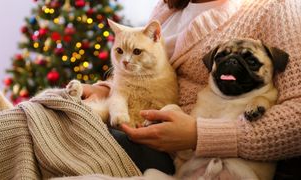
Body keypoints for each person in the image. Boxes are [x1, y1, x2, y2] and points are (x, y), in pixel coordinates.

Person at [82, 0, 301, 178]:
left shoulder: (275, 9)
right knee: (58, 111)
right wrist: (105, 89)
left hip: (178, 157)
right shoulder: (166, 8)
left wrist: (200, 136)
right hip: (135, 123)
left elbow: (297, 117)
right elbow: (142, 68)